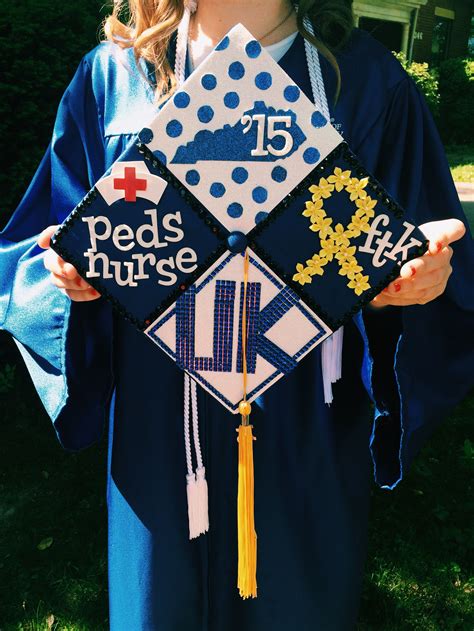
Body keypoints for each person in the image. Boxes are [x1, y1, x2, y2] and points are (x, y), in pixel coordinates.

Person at [1, 0, 473, 628]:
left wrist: (416, 288)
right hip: (159, 426)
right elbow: (30, 254)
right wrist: (65, 277)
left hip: (305, 423)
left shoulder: (364, 82)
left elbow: (427, 260)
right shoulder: (115, 77)